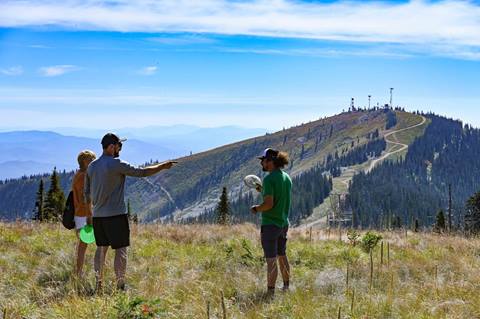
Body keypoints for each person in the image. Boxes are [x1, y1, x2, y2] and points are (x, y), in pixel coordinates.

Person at [84, 133, 177, 292]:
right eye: (119, 146)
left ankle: (98, 285)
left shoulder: (91, 166)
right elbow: (142, 173)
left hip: (98, 216)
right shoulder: (116, 164)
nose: (120, 149)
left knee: (101, 249)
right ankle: (120, 286)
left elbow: (86, 195)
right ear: (112, 147)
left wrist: (89, 216)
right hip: (116, 215)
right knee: (120, 250)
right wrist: (162, 166)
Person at [250, 148, 292, 297]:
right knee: (282, 255)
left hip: (270, 225)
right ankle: (286, 288)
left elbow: (268, 204)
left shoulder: (269, 179)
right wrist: (262, 190)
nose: (262, 162)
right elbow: (279, 196)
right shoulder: (286, 177)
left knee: (271, 260)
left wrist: (256, 208)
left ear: (270, 162)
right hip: (283, 223)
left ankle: (270, 294)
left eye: (263, 160)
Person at [72, 150, 96, 278]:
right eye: (90, 160)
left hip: (81, 214)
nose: (93, 161)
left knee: (83, 243)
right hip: (84, 215)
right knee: (83, 244)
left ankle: (79, 271)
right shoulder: (82, 177)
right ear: (84, 162)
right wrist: (90, 216)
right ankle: (79, 272)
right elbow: (85, 198)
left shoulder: (80, 175)